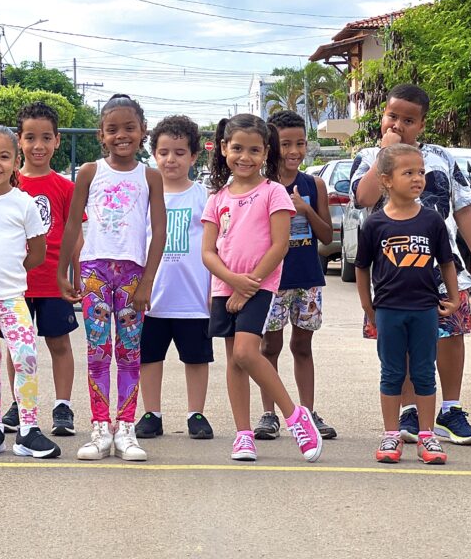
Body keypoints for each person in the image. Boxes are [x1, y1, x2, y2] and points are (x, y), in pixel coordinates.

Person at [349, 83, 471, 445]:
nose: (398, 125)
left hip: (442, 266)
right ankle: (410, 411)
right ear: (382, 116)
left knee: (450, 333)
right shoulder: (369, 157)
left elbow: (462, 207)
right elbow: (363, 198)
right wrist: (385, 154)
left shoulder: (441, 158)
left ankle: (451, 410)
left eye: (408, 120)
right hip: (394, 272)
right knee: (404, 343)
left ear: (422, 125)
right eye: (392, 116)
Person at [202, 113, 323, 464]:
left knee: (246, 352)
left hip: (260, 286)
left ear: (265, 152)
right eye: (237, 148)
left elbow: (279, 246)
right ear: (224, 148)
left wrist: (247, 285)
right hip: (225, 287)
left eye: (254, 150)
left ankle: (296, 416)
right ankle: (243, 436)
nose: (245, 157)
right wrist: (232, 281)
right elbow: (208, 252)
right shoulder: (217, 198)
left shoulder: (274, 193)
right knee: (233, 359)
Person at [58, 93, 166, 462]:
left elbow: (159, 231)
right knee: (98, 350)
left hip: (133, 273)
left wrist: (148, 281)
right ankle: (101, 427)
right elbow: (73, 223)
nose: (122, 135)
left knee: (130, 351)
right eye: (112, 129)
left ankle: (127, 428)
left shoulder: (150, 176)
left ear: (143, 131)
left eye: (130, 128)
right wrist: (63, 271)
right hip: (94, 272)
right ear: (100, 135)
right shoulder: (90, 171)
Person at [355, 144, 460, 464]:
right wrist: (368, 308)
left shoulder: (431, 221)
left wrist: (454, 298)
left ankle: (427, 436)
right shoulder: (374, 224)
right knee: (392, 373)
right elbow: (361, 267)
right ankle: (391, 435)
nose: (418, 178)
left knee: (424, 372)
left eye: (421, 172)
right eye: (408, 173)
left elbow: (446, 262)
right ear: (386, 180)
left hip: (425, 310)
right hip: (388, 310)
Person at [0, 126, 60, 460]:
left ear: (16, 161)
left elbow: (37, 252)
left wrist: (10, 273)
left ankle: (28, 429)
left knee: (26, 357)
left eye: (4, 157)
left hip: (11, 297)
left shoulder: (25, 204)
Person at [0, 101, 81, 438]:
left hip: (53, 282)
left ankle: (63, 407)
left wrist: (75, 276)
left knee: (59, 344)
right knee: (17, 347)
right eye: (30, 137)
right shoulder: (7, 187)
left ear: (57, 141)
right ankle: (20, 402)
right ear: (19, 141)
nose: (38, 146)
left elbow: (75, 236)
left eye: (46, 138)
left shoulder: (66, 188)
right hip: (14, 283)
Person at [256, 110, 336, 441]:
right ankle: (269, 413)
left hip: (307, 279)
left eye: (300, 143)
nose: (293, 151)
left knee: (302, 346)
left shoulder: (314, 185)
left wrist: (305, 209)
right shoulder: (260, 186)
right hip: (271, 281)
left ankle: (307, 411)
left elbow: (327, 236)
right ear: (271, 146)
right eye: (285, 143)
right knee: (269, 347)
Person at [135, 115, 214, 441]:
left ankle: (196, 413)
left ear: (194, 156)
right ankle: (151, 413)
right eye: (164, 152)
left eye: (180, 152)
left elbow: (215, 245)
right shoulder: (144, 195)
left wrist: (214, 288)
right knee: (149, 357)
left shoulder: (203, 196)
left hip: (193, 298)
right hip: (151, 297)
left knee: (195, 359)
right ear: (154, 154)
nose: (171, 159)